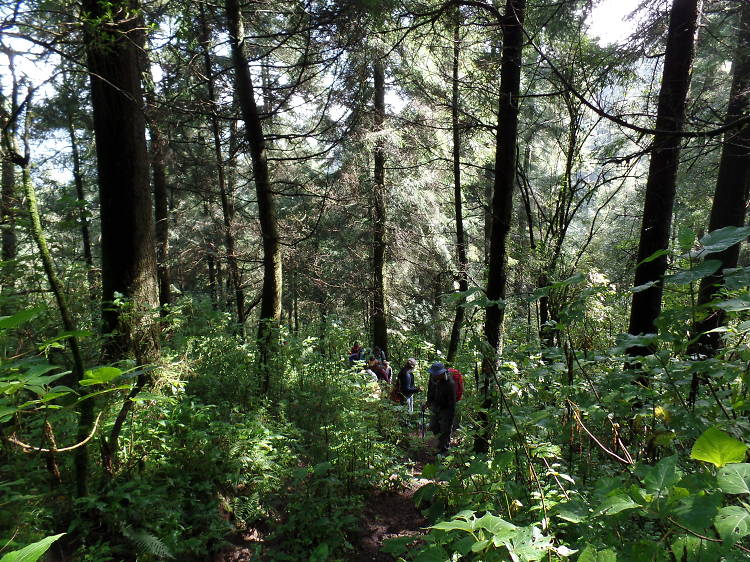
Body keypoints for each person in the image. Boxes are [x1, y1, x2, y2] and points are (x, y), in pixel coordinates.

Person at [424, 361, 456, 455]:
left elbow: (452, 402)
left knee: (445, 430)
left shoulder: (450, 383)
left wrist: (450, 416)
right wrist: (428, 402)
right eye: (433, 374)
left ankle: (444, 450)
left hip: (446, 409)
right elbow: (430, 391)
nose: (433, 375)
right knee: (433, 427)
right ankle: (440, 445)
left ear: (442, 373)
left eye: (436, 374)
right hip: (435, 406)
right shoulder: (433, 379)